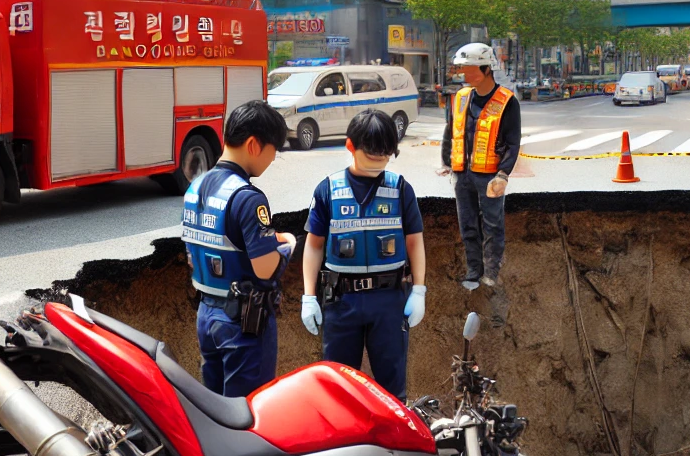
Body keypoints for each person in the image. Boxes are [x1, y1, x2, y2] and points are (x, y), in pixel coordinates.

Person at [301, 110, 427, 400]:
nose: (378, 163)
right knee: (339, 387)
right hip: (342, 300)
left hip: (389, 300)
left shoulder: (399, 189)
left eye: (385, 156)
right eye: (371, 155)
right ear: (350, 147)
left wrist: (419, 289)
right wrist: (309, 297)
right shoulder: (328, 190)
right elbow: (314, 244)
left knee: (393, 387)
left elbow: (414, 241)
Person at [181, 101, 296, 397]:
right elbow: (265, 267)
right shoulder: (249, 198)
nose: (273, 160)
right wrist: (287, 247)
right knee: (247, 414)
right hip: (243, 325)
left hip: (207, 315)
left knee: (217, 411)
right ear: (254, 145)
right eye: (274, 151)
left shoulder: (196, 186)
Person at [438, 42, 521, 288]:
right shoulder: (462, 97)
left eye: (469, 68)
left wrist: (503, 173)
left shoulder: (506, 101)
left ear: (486, 69)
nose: (463, 74)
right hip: (463, 175)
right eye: (462, 69)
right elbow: (451, 130)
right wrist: (447, 161)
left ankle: (491, 274)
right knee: (468, 224)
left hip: (490, 175)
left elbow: (512, 142)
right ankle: (473, 271)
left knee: (492, 226)